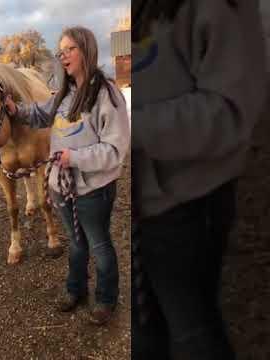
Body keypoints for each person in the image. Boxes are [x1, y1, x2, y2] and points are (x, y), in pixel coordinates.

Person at [131, 0, 266, 359]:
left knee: (191, 331)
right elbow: (123, 85)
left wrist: (131, 127)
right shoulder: (121, 17)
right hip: (132, 204)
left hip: (188, 201)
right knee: (142, 333)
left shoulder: (219, 6)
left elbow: (232, 111)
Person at [5, 26, 130, 325]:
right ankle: (76, 290)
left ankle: (105, 298)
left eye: (69, 49)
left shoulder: (107, 95)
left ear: (86, 50)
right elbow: (39, 114)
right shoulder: (64, 94)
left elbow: (115, 151)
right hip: (62, 188)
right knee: (76, 243)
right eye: (60, 51)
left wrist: (73, 158)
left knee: (99, 246)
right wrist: (14, 108)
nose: (62, 56)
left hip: (93, 189)